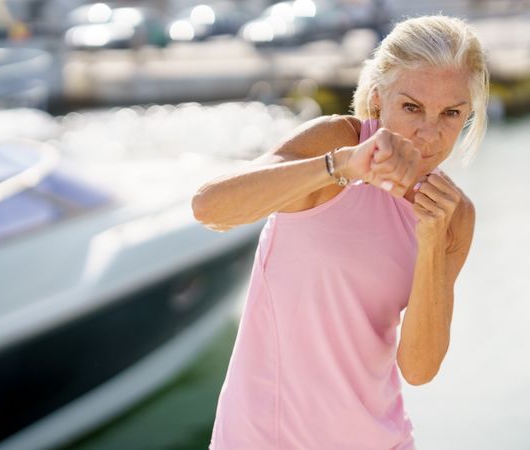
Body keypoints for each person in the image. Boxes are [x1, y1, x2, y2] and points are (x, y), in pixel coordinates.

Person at [192, 12, 489, 450]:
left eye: (451, 113)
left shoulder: (454, 214)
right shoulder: (333, 142)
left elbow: (420, 369)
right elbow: (210, 207)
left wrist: (430, 238)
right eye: (411, 107)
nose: (429, 133)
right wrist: (342, 166)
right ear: (376, 100)